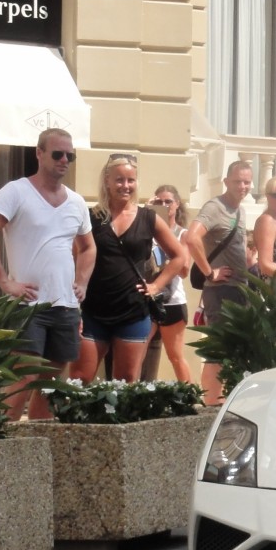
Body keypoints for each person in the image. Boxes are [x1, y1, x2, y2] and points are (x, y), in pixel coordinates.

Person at [0, 127, 95, 420]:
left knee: (51, 385)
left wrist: (82, 283)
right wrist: (4, 281)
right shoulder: (17, 191)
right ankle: (4, 445)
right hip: (29, 306)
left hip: (65, 305)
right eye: (57, 154)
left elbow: (88, 247)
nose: (64, 160)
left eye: (70, 155)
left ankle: (39, 448)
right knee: (23, 379)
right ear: (39, 154)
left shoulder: (77, 202)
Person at [71, 154, 187, 384]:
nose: (125, 186)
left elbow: (179, 256)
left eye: (130, 180)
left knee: (125, 382)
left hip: (132, 311)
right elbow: (75, 258)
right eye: (119, 180)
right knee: (79, 378)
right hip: (94, 310)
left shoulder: (148, 218)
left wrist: (156, 285)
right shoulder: (92, 217)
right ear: (107, 181)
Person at [185, 160, 253, 404]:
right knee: (218, 349)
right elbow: (192, 238)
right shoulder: (215, 207)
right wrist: (209, 272)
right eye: (237, 181)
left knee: (232, 348)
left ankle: (222, 400)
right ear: (226, 182)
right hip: (221, 290)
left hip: (238, 289)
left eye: (247, 181)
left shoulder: (240, 211)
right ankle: (212, 403)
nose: (242, 186)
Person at [140, 184, 192, 383]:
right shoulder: (147, 229)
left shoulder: (182, 233)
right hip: (149, 299)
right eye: (159, 202)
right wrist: (146, 213)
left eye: (168, 201)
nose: (164, 205)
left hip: (173, 301)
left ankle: (189, 396)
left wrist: (165, 244)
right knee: (138, 350)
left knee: (175, 356)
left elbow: (185, 269)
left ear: (177, 204)